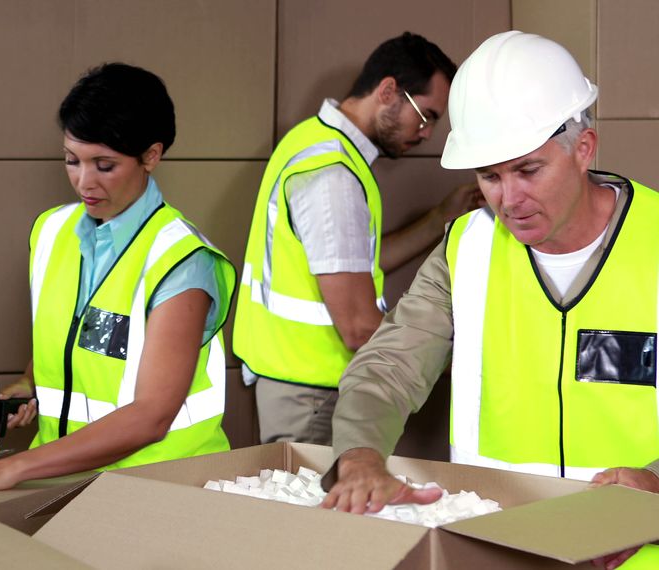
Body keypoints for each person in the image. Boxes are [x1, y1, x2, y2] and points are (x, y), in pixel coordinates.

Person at [322, 31, 659, 569]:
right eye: (489, 176)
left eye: (527, 170)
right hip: (502, 555)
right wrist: (359, 457)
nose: (508, 199)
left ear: (584, 149)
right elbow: (386, 371)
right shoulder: (467, 250)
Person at [0, 63, 235, 490]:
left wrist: (13, 467)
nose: (84, 182)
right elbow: (73, 339)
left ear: (151, 156)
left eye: (104, 165)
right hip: (65, 481)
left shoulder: (183, 261)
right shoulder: (51, 232)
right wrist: (30, 382)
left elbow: (152, 416)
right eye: (71, 161)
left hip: (160, 486)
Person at [233, 32, 483, 445]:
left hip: (300, 386)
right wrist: (454, 361)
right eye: (427, 116)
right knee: (317, 511)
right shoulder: (333, 175)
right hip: (314, 394)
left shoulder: (312, 143)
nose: (427, 134)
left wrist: (441, 217)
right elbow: (358, 327)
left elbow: (355, 264)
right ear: (388, 91)